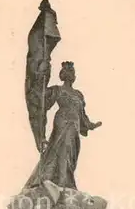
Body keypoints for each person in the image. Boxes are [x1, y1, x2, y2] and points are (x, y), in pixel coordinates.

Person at [26, 61, 102, 189]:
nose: (71, 75)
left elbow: (83, 115)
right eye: (69, 72)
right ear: (63, 74)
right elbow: (42, 100)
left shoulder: (78, 94)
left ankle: (66, 180)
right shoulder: (58, 89)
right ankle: (61, 181)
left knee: (72, 152)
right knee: (63, 148)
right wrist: (41, 82)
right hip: (63, 121)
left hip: (75, 125)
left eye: (73, 72)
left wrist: (91, 125)